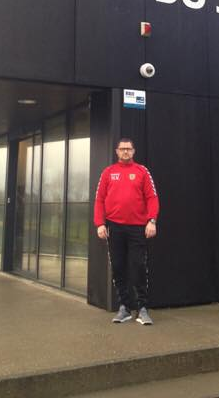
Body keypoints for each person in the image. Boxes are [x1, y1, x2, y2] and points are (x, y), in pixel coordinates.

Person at [94, 138, 159, 325]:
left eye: (128, 149)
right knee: (118, 267)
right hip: (114, 227)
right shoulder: (108, 173)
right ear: (116, 151)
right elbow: (99, 200)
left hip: (138, 228)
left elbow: (152, 198)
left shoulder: (142, 172)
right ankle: (124, 307)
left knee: (138, 265)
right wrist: (100, 223)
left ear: (133, 151)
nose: (125, 152)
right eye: (122, 149)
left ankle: (142, 308)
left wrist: (151, 221)